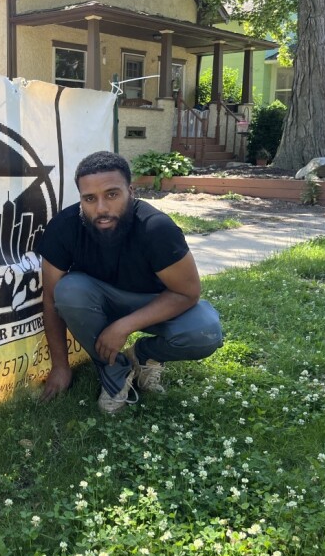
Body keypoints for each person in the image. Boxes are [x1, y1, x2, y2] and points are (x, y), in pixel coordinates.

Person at [36, 151, 224, 413]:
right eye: (90, 199)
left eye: (112, 194)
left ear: (131, 191)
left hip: (155, 303)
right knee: (67, 291)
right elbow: (50, 299)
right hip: (98, 302)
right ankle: (114, 371)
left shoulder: (157, 228)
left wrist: (124, 327)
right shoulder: (64, 228)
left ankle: (144, 354)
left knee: (205, 333)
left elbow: (188, 292)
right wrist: (60, 366)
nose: (101, 208)